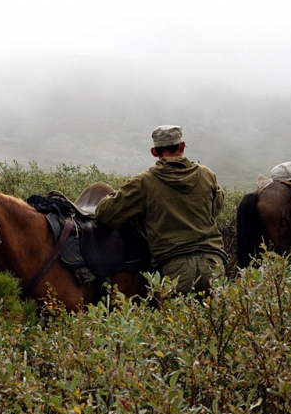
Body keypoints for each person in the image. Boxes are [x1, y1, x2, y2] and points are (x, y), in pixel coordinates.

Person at [95, 125, 226, 295]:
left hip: (175, 267)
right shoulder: (207, 174)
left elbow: (106, 215)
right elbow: (215, 208)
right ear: (182, 146)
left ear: (154, 152)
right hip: (213, 263)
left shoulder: (145, 182)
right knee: (217, 320)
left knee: (175, 320)